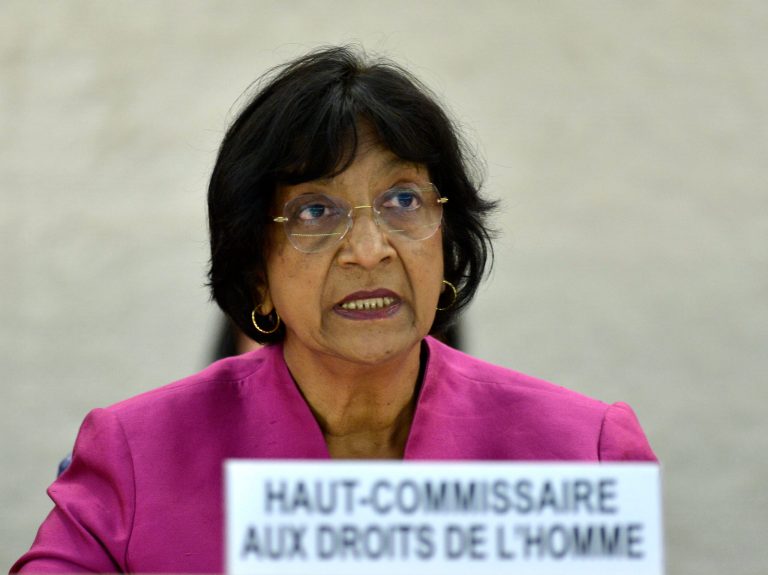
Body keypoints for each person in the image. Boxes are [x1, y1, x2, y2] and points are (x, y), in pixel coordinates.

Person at [12, 45, 656, 573]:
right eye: (315, 211)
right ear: (256, 270)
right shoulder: (137, 458)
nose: (370, 251)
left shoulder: (583, 452)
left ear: (447, 239)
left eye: (404, 200)